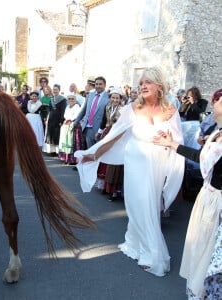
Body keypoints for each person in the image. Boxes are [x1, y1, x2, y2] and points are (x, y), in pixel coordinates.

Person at [74, 67, 184, 276]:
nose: (142, 86)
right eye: (141, 82)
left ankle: (144, 249)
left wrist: (168, 139)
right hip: (135, 165)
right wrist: (93, 155)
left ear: (159, 86)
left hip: (156, 165)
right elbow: (113, 136)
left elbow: (177, 140)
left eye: (148, 82)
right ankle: (145, 250)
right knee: (137, 205)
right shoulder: (132, 108)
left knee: (149, 206)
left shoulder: (171, 109)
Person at [153, 88, 222, 299]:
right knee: (199, 248)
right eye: (217, 100)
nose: (216, 103)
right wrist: (171, 144)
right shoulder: (217, 133)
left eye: (219, 100)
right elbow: (199, 156)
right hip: (206, 197)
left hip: (218, 202)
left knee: (210, 255)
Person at [73, 76, 109, 149]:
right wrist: (76, 122)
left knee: (98, 152)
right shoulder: (90, 95)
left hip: (99, 130)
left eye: (100, 84)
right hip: (88, 129)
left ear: (104, 85)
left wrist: (102, 130)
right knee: (89, 151)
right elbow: (84, 110)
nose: (98, 86)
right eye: (96, 84)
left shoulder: (108, 98)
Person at [43, 84, 67, 155]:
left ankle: (57, 151)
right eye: (54, 90)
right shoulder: (51, 99)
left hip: (58, 118)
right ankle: (51, 151)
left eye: (56, 89)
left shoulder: (63, 99)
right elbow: (49, 110)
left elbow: (63, 110)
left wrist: (61, 120)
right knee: (50, 134)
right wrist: (47, 118)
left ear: (59, 90)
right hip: (51, 118)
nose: (55, 91)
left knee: (57, 134)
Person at [58, 94, 81, 164]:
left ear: (75, 100)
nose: (71, 100)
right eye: (69, 99)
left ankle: (72, 159)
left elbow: (76, 115)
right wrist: (66, 120)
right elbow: (65, 115)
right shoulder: (67, 106)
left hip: (74, 125)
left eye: (72, 99)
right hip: (66, 125)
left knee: (73, 142)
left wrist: (69, 119)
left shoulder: (77, 107)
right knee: (65, 142)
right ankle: (66, 158)